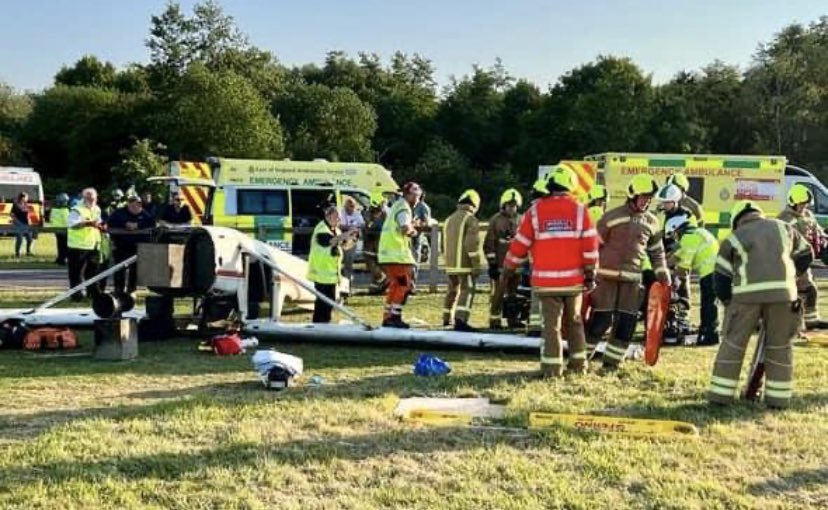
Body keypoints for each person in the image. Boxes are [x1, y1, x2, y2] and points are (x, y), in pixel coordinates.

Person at [708, 200, 812, 408]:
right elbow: (807, 254)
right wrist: (792, 276)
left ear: (737, 220)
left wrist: (728, 301)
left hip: (746, 298)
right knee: (780, 346)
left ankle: (720, 398)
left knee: (733, 344)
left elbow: (720, 277)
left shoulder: (735, 237)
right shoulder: (784, 228)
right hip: (784, 297)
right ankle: (778, 400)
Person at [503, 166, 598, 377]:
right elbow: (591, 247)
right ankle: (578, 367)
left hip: (546, 284)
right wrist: (590, 273)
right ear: (571, 186)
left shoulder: (534, 212)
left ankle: (552, 369)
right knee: (575, 322)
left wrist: (509, 267)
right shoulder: (582, 211)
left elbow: (520, 245)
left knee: (551, 327)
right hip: (574, 282)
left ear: (551, 186)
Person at [586, 174, 669, 370]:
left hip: (632, 282)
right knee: (600, 322)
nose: (647, 201)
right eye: (643, 197)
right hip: (605, 279)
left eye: (649, 198)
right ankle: (580, 361)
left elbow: (657, 251)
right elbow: (593, 245)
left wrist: (662, 271)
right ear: (632, 195)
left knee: (626, 324)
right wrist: (588, 270)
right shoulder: (611, 217)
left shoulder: (652, 222)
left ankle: (611, 364)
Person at [664, 213, 720, 345]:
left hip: (710, 273)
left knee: (708, 306)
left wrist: (668, 272)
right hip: (717, 271)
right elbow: (679, 255)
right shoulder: (697, 232)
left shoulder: (688, 238)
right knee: (710, 304)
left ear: (677, 229)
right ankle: (707, 332)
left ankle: (709, 336)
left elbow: (683, 270)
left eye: (673, 234)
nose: (674, 238)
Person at [778, 184, 827, 331]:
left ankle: (811, 321)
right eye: (801, 204)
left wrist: (824, 243)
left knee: (810, 291)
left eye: (805, 205)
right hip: (791, 262)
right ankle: (777, 323)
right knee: (791, 294)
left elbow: (818, 233)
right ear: (792, 202)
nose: (803, 207)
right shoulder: (784, 219)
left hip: (805, 260)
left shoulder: (808, 216)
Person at [378, 182, 422, 328]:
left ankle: (388, 316)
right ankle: (394, 317)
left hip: (388, 255)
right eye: (416, 196)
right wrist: (413, 231)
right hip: (398, 256)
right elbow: (404, 228)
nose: (417, 199)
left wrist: (411, 225)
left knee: (395, 286)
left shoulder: (396, 206)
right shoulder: (404, 208)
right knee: (404, 286)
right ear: (409, 195)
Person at [442, 189, 483, 332]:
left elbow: (443, 243)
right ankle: (460, 319)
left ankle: (446, 318)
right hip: (464, 263)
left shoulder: (449, 219)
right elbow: (472, 244)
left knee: (452, 289)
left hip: (450, 263)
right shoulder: (470, 219)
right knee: (467, 289)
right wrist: (476, 264)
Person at [307, 206, 356, 323]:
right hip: (321, 273)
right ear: (328, 216)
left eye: (339, 217)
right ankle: (318, 324)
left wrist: (352, 238)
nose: (338, 219)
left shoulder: (336, 230)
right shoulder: (321, 229)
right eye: (336, 216)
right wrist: (346, 234)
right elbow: (330, 241)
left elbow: (344, 245)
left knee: (330, 301)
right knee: (322, 302)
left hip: (332, 275)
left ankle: (326, 322)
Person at [485, 188, 522, 329]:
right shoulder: (496, 220)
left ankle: (513, 320)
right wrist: (492, 264)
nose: (512, 208)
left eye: (514, 206)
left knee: (514, 294)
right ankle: (495, 320)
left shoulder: (521, 219)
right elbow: (489, 243)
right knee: (499, 294)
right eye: (509, 205)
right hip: (501, 265)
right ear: (503, 205)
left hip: (517, 265)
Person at [107, 195, 156, 296]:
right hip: (121, 246)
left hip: (138, 247)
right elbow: (110, 223)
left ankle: (131, 291)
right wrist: (125, 224)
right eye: (132, 205)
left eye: (137, 205)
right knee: (120, 270)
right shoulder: (119, 213)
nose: (135, 207)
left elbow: (151, 223)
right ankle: (119, 290)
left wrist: (138, 225)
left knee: (135, 270)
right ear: (128, 204)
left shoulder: (145, 214)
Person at [67, 188, 103, 301]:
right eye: (88, 198)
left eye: (93, 198)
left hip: (93, 245)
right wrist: (88, 223)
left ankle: (93, 294)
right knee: (76, 273)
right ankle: (76, 295)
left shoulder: (97, 209)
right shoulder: (77, 210)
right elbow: (72, 225)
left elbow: (98, 222)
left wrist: (101, 227)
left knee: (93, 271)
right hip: (77, 246)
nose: (91, 200)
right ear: (84, 198)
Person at [363, 191, 388, 294]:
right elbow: (367, 225)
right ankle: (375, 287)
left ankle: (382, 284)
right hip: (370, 240)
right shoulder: (369, 213)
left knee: (380, 264)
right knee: (371, 264)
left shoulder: (385, 213)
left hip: (380, 241)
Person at [339, 196, 365, 285]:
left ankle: (348, 281)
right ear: (345, 206)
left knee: (349, 263)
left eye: (353, 206)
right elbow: (340, 225)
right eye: (350, 206)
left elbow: (362, 224)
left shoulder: (356, 213)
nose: (351, 208)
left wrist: (356, 227)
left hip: (352, 241)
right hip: (341, 240)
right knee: (338, 261)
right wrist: (350, 227)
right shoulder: (341, 213)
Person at [411, 192, 432, 285]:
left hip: (416, 237)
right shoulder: (408, 205)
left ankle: (412, 283)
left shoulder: (423, 207)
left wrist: (416, 224)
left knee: (414, 259)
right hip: (406, 237)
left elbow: (427, 223)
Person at [50, 193, 70, 265]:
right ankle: (63, 259)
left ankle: (59, 258)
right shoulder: (65, 210)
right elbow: (67, 220)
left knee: (59, 245)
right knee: (65, 246)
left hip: (56, 229)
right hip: (64, 230)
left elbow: (51, 219)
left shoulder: (54, 210)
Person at [10, 192, 33, 257]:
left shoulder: (26, 204)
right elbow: (12, 215)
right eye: (26, 197)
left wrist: (30, 221)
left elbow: (27, 214)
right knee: (20, 239)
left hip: (27, 224)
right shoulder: (16, 205)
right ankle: (17, 253)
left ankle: (28, 252)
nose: (27, 198)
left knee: (30, 239)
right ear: (22, 197)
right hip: (19, 224)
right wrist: (17, 222)